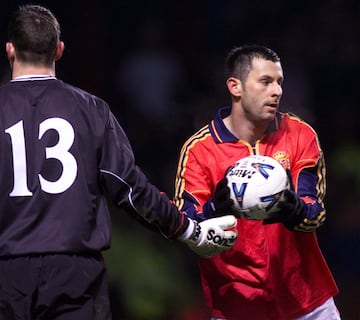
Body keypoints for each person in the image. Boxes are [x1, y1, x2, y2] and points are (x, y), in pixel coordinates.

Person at [0, 5, 238, 320]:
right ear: (58, 50)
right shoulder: (91, 110)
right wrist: (187, 230)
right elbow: (130, 189)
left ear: (10, 50)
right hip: (74, 276)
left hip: (6, 273)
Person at [174, 45, 341, 320]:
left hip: (309, 304)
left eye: (279, 82)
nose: (277, 91)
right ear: (235, 87)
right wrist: (215, 209)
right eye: (265, 82)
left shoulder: (300, 134)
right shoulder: (199, 150)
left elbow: (315, 212)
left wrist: (295, 210)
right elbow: (184, 223)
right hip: (236, 307)